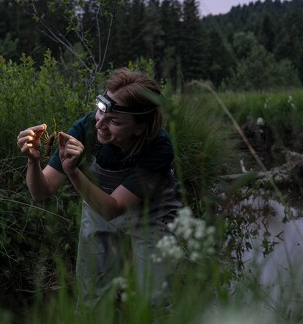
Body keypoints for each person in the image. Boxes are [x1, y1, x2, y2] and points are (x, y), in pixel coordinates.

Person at [17, 68, 183, 305]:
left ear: (139, 127)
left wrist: (73, 171)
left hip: (152, 211)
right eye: (101, 111)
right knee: (91, 292)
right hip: (99, 200)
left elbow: (113, 209)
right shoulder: (86, 127)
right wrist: (33, 161)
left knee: (154, 296)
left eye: (114, 121)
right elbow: (41, 192)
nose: (100, 125)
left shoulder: (159, 148)